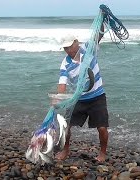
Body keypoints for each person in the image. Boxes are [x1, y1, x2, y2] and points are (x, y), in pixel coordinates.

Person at [54, 22, 109, 162]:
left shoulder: (88, 49)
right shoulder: (65, 63)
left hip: (97, 97)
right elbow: (62, 83)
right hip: (79, 99)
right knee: (66, 126)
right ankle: (65, 150)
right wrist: (59, 98)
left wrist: (101, 20)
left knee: (102, 128)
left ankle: (103, 153)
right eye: (65, 48)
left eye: (70, 46)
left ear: (76, 42)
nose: (68, 50)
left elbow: (98, 35)